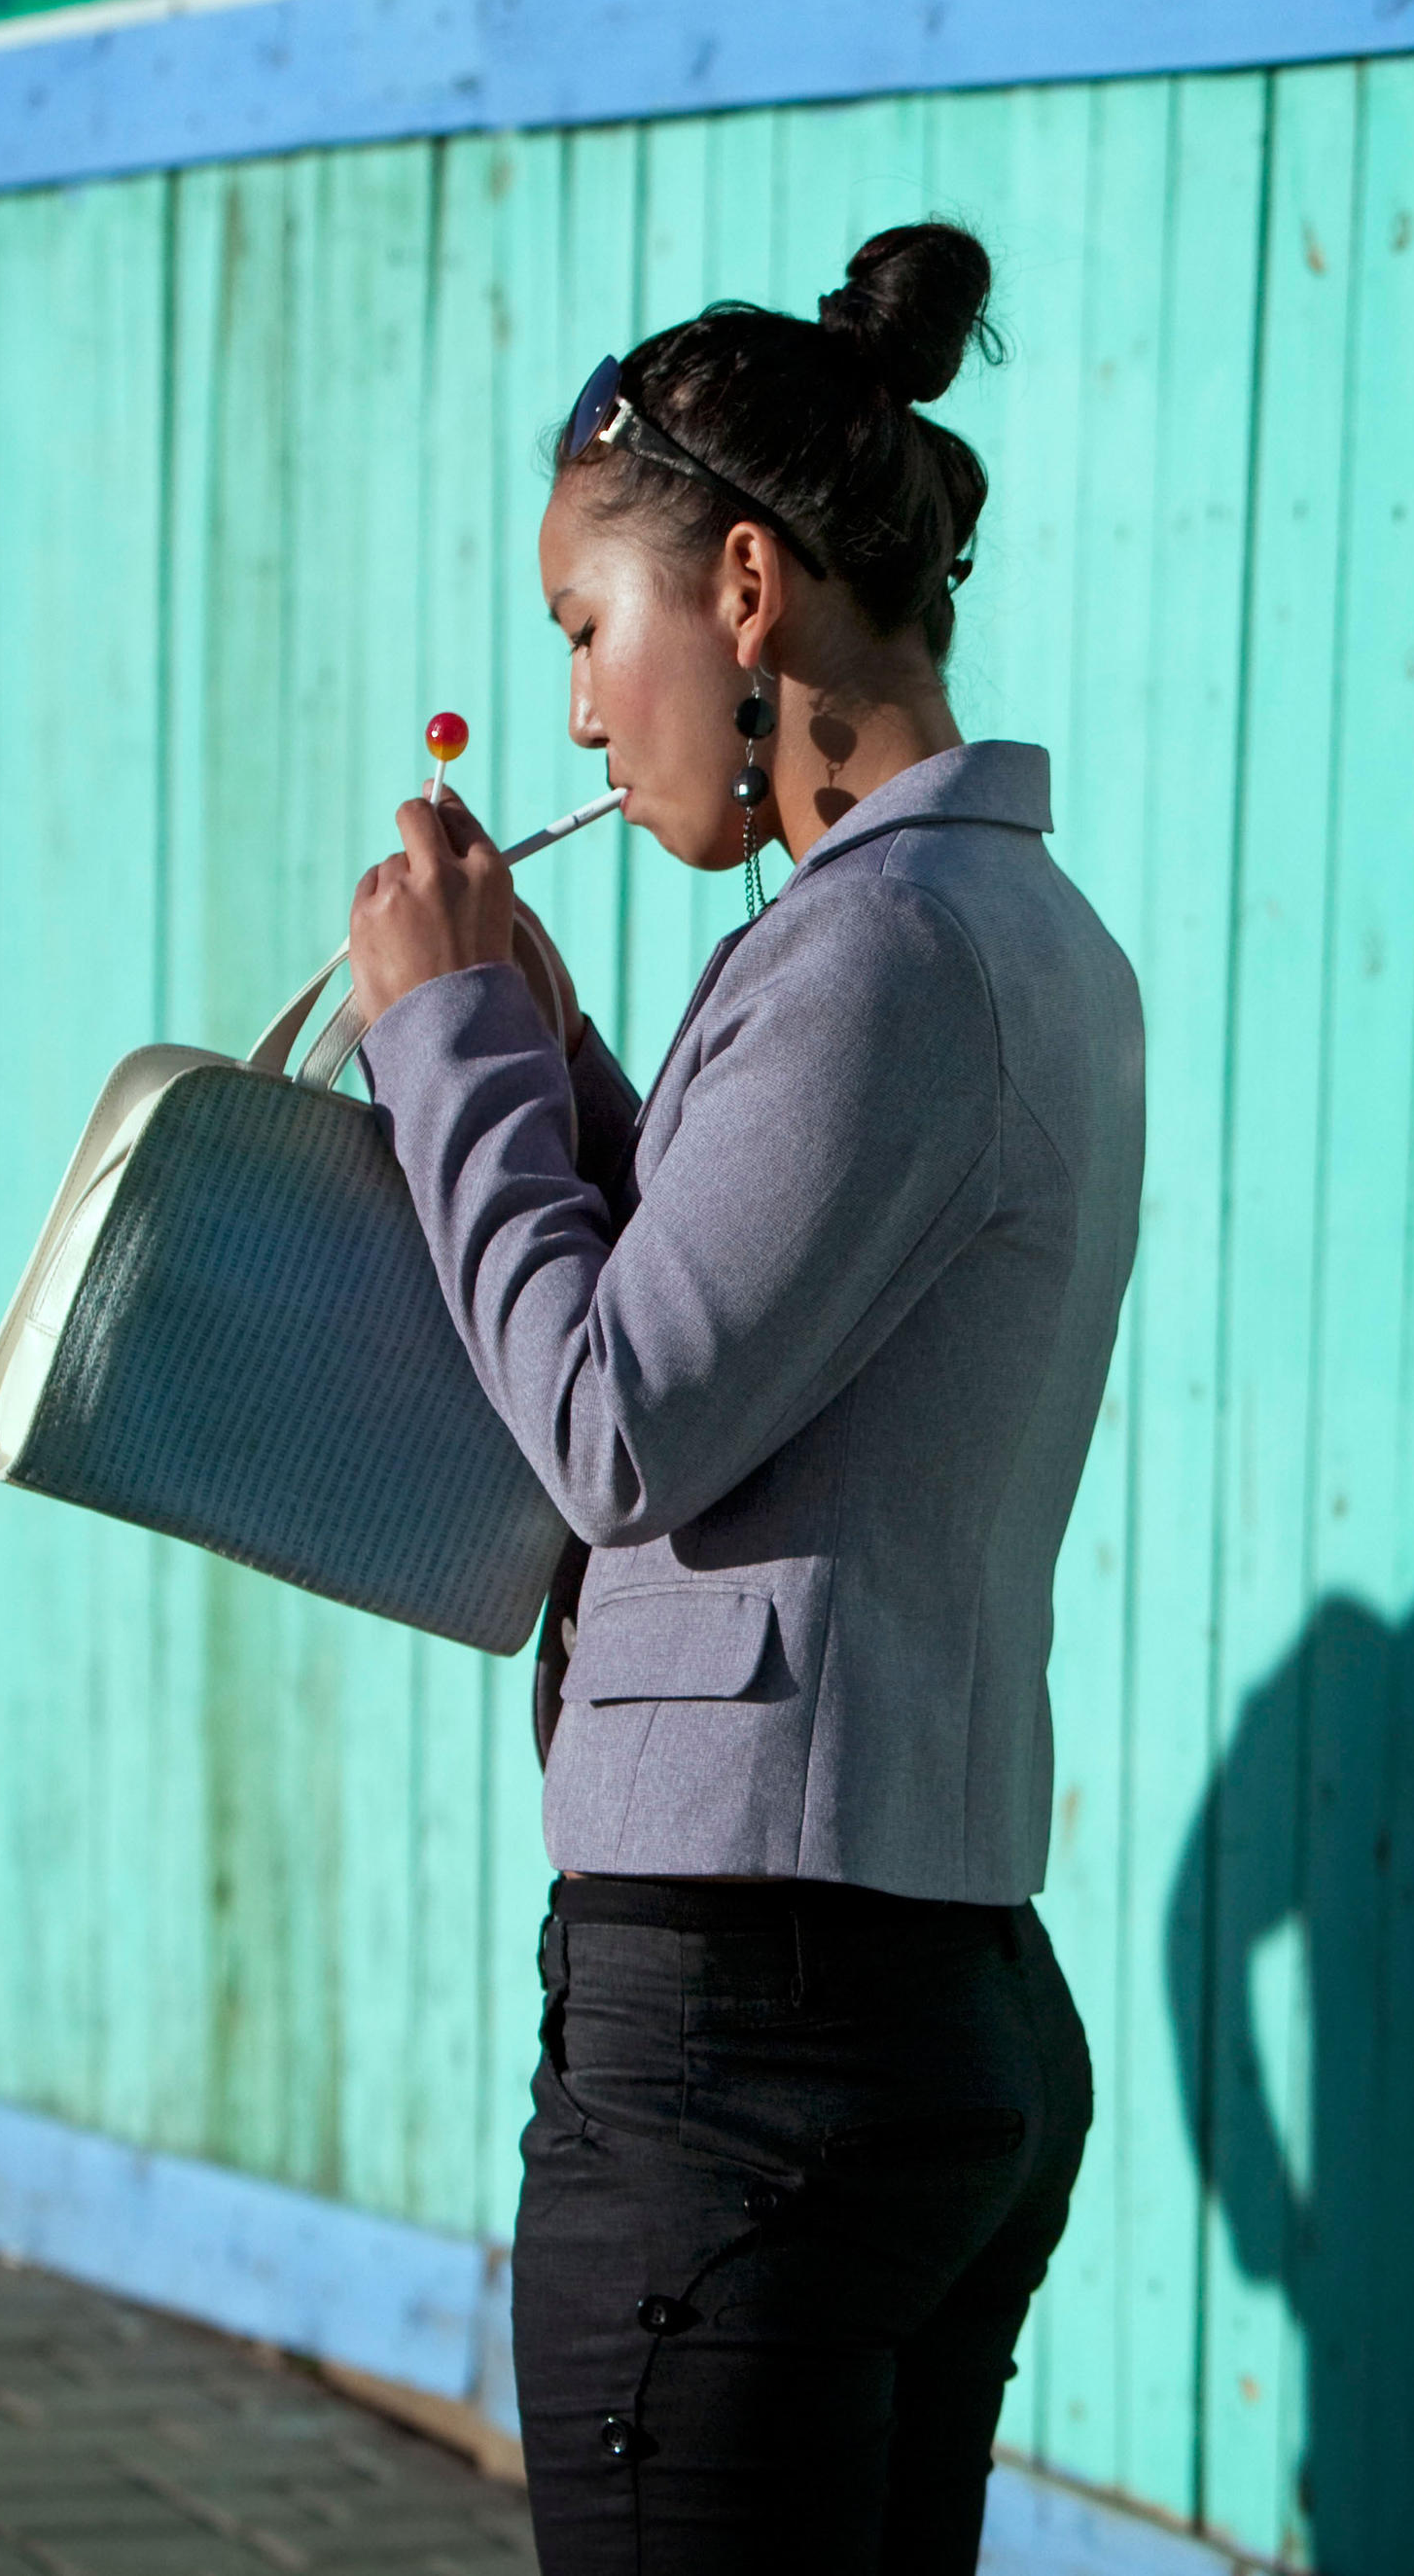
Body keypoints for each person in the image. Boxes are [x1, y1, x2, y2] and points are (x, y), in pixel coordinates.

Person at [338, 221, 1146, 2573]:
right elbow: (754, 1330)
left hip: (752, 2040)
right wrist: (555, 1054)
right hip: (899, 1990)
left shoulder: (881, 955)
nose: (579, 710)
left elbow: (613, 1421)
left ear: (752, 594)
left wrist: (448, 1045)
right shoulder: (990, 933)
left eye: (593, 628)